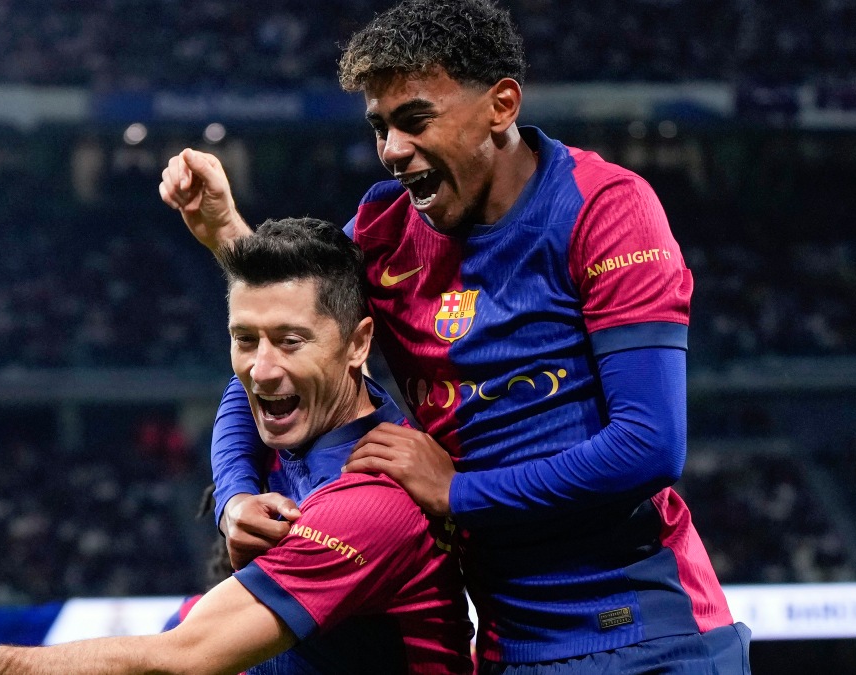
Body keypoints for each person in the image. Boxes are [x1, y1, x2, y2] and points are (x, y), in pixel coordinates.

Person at [158, 1, 751, 672]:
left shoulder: (603, 210)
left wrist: (459, 491)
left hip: (647, 635)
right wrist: (234, 495)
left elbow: (649, 444)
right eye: (380, 127)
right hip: (507, 645)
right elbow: (281, 359)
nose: (391, 150)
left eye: (415, 121)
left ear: (501, 105)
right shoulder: (383, 229)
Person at [0, 219, 474, 675]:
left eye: (289, 341)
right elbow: (243, 396)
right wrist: (233, 498)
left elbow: (189, 656)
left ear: (359, 344)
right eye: (244, 339)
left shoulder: (372, 501)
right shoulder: (318, 404)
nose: (261, 369)